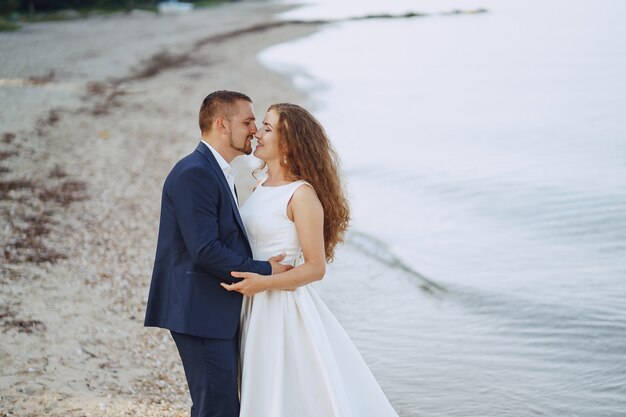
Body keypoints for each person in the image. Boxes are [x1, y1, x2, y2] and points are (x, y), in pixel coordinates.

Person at [222, 103, 399, 417]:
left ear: (289, 143)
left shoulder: (301, 195)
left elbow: (316, 268)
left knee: (286, 391)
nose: (257, 134)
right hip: (253, 301)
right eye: (260, 126)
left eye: (267, 128)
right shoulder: (260, 185)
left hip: (280, 307)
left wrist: (263, 282)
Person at [144, 91, 291, 417]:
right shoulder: (195, 173)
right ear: (222, 124)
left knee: (216, 403)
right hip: (200, 312)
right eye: (248, 121)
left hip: (211, 310)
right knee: (218, 407)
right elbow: (205, 250)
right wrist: (265, 270)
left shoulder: (218, 171)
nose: (254, 130)